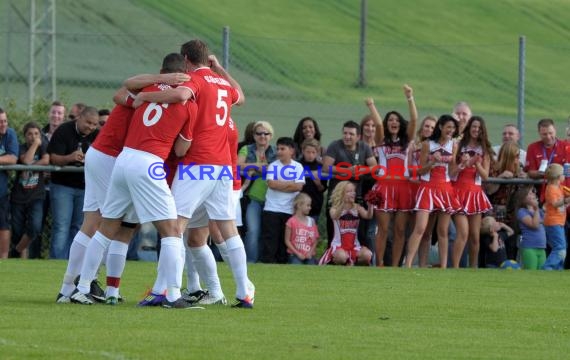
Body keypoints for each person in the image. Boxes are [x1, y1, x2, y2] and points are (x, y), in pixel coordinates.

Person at [135, 39, 254, 308]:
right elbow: (241, 96)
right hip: (224, 167)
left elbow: (180, 95)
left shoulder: (197, 80)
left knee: (173, 225)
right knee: (228, 229)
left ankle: (169, 289)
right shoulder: (221, 82)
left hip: (197, 165)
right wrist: (220, 68)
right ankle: (243, 290)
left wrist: (146, 97)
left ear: (186, 60)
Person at [71, 53, 195, 308]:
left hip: (124, 159)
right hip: (148, 163)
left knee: (107, 228)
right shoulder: (189, 104)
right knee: (171, 230)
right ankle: (172, 294)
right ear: (185, 75)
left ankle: (82, 288)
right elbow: (182, 149)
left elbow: (126, 87)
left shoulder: (147, 87)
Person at [367, 85, 417, 267]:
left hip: (403, 188)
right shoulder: (381, 140)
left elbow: (414, 119)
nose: (393, 122)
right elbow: (378, 124)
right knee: (383, 229)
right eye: (390, 120)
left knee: (400, 230)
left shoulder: (406, 141)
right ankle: (379, 263)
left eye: (396, 120)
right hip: (384, 187)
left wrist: (410, 98)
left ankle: (395, 265)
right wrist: (372, 106)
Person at [405, 115, 462, 269]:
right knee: (420, 228)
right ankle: (408, 263)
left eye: (453, 128)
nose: (451, 130)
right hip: (428, 187)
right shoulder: (427, 145)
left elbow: (452, 171)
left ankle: (443, 267)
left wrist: (462, 165)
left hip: (445, 188)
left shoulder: (453, 145)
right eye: (448, 127)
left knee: (443, 230)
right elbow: (420, 170)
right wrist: (432, 162)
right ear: (441, 127)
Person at [47, 106, 99, 259]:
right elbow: (53, 158)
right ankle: (57, 261)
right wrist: (70, 158)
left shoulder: (97, 135)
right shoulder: (64, 130)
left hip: (85, 188)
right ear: (79, 118)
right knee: (61, 227)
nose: (90, 127)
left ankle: (73, 261)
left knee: (79, 227)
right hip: (63, 186)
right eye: (88, 122)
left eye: (94, 124)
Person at [321, 120, 377, 247]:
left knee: (359, 231)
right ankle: (333, 257)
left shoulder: (364, 147)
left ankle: (356, 258)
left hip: (356, 196)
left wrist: (361, 170)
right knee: (333, 230)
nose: (347, 136)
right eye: (345, 133)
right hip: (337, 196)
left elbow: (374, 167)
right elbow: (326, 167)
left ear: (358, 137)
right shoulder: (335, 145)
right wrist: (347, 171)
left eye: (351, 134)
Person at [450, 116, 493, 268]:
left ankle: (473, 268)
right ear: (469, 128)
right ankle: (455, 267)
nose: (476, 130)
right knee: (463, 233)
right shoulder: (459, 145)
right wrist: (462, 163)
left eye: (479, 128)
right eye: (474, 126)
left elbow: (485, 176)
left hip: (475, 193)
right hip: (458, 191)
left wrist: (476, 164)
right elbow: (451, 172)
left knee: (475, 236)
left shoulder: (484, 149)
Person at [260, 137, 305, 263]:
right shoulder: (273, 165)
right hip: (271, 209)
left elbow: (298, 186)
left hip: (289, 211)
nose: (279, 151)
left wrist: (281, 184)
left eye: (282, 149)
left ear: (291, 150)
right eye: (278, 148)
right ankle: (268, 264)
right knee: (270, 240)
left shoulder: (298, 167)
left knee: (284, 242)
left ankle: (281, 265)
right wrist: (289, 184)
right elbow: (271, 184)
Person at [237, 121, 277, 262]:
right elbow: (237, 166)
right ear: (253, 135)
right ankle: (250, 262)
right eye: (258, 133)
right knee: (253, 231)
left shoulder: (276, 151)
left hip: (272, 199)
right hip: (252, 197)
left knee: (267, 233)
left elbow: (279, 169)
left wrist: (250, 169)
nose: (262, 136)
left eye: (266, 133)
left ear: (270, 136)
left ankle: (263, 261)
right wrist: (259, 165)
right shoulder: (246, 149)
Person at [10, 122, 49, 258]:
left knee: (35, 227)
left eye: (37, 134)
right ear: (25, 136)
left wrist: (31, 167)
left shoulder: (43, 147)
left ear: (41, 135)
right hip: (18, 196)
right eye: (30, 134)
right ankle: (21, 259)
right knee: (17, 230)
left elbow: (45, 161)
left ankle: (17, 251)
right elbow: (26, 160)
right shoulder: (20, 148)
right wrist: (34, 145)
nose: (33, 137)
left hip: (36, 195)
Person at [319, 181, 373, 265]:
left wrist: (370, 206)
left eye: (353, 191)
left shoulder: (357, 207)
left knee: (367, 255)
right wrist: (343, 203)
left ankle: (353, 263)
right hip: (338, 246)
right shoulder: (334, 208)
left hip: (354, 246)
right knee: (341, 257)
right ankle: (345, 262)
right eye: (349, 191)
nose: (353, 193)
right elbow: (334, 216)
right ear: (341, 194)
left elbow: (368, 216)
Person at [408, 115, 437, 267]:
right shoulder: (414, 145)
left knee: (427, 233)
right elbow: (409, 171)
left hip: (432, 190)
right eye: (427, 126)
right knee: (416, 229)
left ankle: (423, 265)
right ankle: (408, 263)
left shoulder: (437, 146)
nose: (429, 129)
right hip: (415, 189)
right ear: (422, 127)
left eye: (432, 127)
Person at [525, 118, 570, 202]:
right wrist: (548, 173)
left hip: (564, 192)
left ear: (555, 131)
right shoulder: (533, 148)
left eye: (550, 133)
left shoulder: (566, 146)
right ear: (539, 133)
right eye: (544, 134)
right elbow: (530, 172)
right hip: (541, 194)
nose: (548, 137)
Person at [0, 108, 19, 259]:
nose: (3, 124)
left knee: (3, 225)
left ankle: (4, 258)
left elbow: (13, 158)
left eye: (5, 121)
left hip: (2, 190)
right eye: (0, 122)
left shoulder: (10, 134)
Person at [542, 163, 568, 270]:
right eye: (563, 174)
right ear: (558, 177)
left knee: (563, 247)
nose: (564, 176)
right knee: (560, 247)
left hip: (559, 222)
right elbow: (555, 204)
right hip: (553, 222)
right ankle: (548, 267)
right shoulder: (551, 188)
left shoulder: (560, 187)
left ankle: (558, 268)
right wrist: (566, 200)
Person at [514, 186, 547, 270]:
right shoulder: (522, 211)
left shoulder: (539, 211)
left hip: (541, 247)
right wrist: (536, 210)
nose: (533, 194)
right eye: (530, 193)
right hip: (529, 247)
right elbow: (534, 225)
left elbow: (547, 221)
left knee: (541, 274)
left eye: (533, 192)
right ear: (523, 199)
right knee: (531, 272)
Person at [284, 192, 319, 265]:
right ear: (299, 205)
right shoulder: (291, 221)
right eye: (308, 205)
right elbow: (287, 241)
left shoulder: (312, 221)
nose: (310, 208)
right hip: (294, 255)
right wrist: (297, 253)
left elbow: (315, 240)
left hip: (309, 255)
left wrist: (310, 252)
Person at [298, 139, 327, 223]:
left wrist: (318, 183)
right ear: (303, 151)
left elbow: (323, 189)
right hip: (298, 205)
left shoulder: (321, 167)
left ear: (317, 152)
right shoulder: (297, 165)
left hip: (314, 206)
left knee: (311, 232)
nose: (310, 155)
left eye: (313, 152)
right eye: (308, 152)